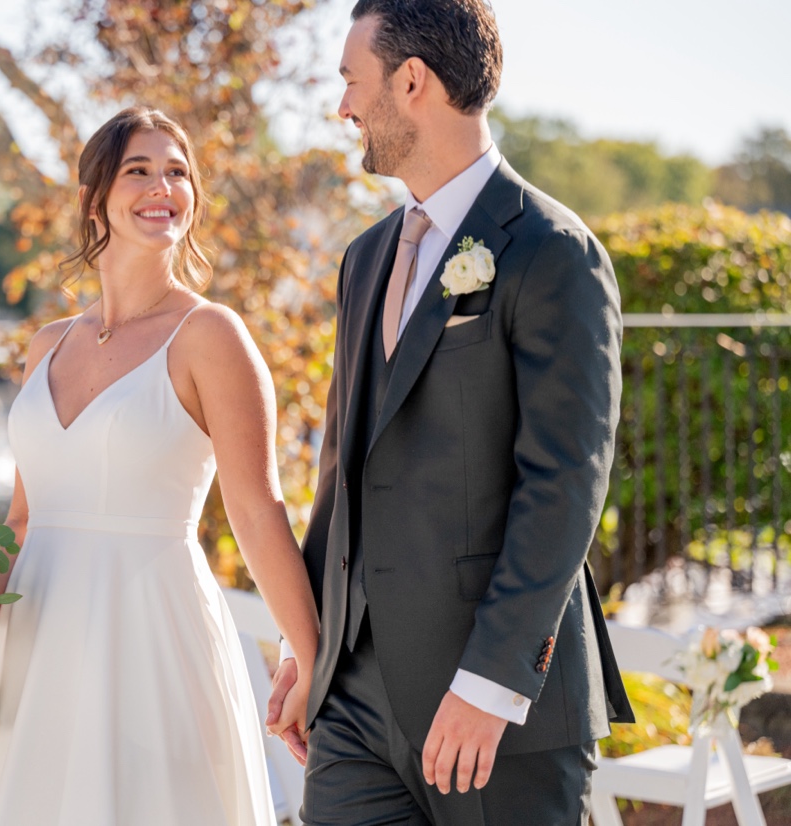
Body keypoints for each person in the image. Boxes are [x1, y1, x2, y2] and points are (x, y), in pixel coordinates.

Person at [264, 2, 634, 822]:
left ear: (412, 81)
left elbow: (566, 483)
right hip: (356, 705)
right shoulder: (365, 259)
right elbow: (345, 470)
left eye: (351, 83)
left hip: (494, 711)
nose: (343, 109)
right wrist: (312, 645)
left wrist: (493, 682)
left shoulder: (552, 251)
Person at [0, 106, 322, 825]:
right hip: (38, 648)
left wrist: (311, 658)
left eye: (177, 171)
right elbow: (24, 517)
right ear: (91, 196)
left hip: (151, 638)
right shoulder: (45, 346)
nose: (162, 185)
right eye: (139, 170)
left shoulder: (210, 336)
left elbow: (259, 512)